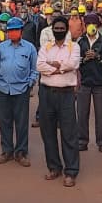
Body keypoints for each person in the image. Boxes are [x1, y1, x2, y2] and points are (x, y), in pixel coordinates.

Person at [37, 16, 83, 187]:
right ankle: (54, 167)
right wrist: (60, 67)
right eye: (56, 28)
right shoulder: (46, 46)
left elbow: (74, 64)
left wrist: (54, 66)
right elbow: (40, 66)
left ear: (66, 30)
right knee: (47, 133)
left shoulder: (74, 46)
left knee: (69, 133)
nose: (58, 31)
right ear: (52, 29)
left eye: (61, 28)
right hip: (46, 93)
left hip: (66, 95)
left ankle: (71, 171)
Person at [0, 17, 39, 166]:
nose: (13, 33)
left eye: (16, 30)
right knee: (4, 121)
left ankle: (21, 152)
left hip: (21, 90)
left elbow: (34, 69)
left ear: (21, 31)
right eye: (10, 30)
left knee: (21, 122)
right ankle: (7, 151)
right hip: (3, 89)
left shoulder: (30, 48)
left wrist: (30, 83)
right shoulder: (2, 47)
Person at [77, 12, 102, 153]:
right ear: (85, 26)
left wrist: (97, 57)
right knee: (82, 112)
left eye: (94, 24)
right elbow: (74, 62)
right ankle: (81, 140)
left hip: (100, 83)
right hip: (84, 82)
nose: (91, 27)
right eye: (88, 24)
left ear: (98, 26)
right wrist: (84, 59)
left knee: (101, 113)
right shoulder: (80, 42)